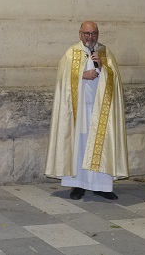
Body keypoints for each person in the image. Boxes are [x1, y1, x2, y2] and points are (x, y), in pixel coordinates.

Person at [45, 21, 128, 200]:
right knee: (80, 145)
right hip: (79, 110)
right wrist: (83, 75)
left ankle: (101, 186)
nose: (90, 37)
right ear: (80, 34)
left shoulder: (105, 53)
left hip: (100, 112)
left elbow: (114, 80)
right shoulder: (71, 53)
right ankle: (78, 185)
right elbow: (62, 79)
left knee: (100, 147)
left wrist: (101, 68)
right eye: (87, 34)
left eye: (94, 33)